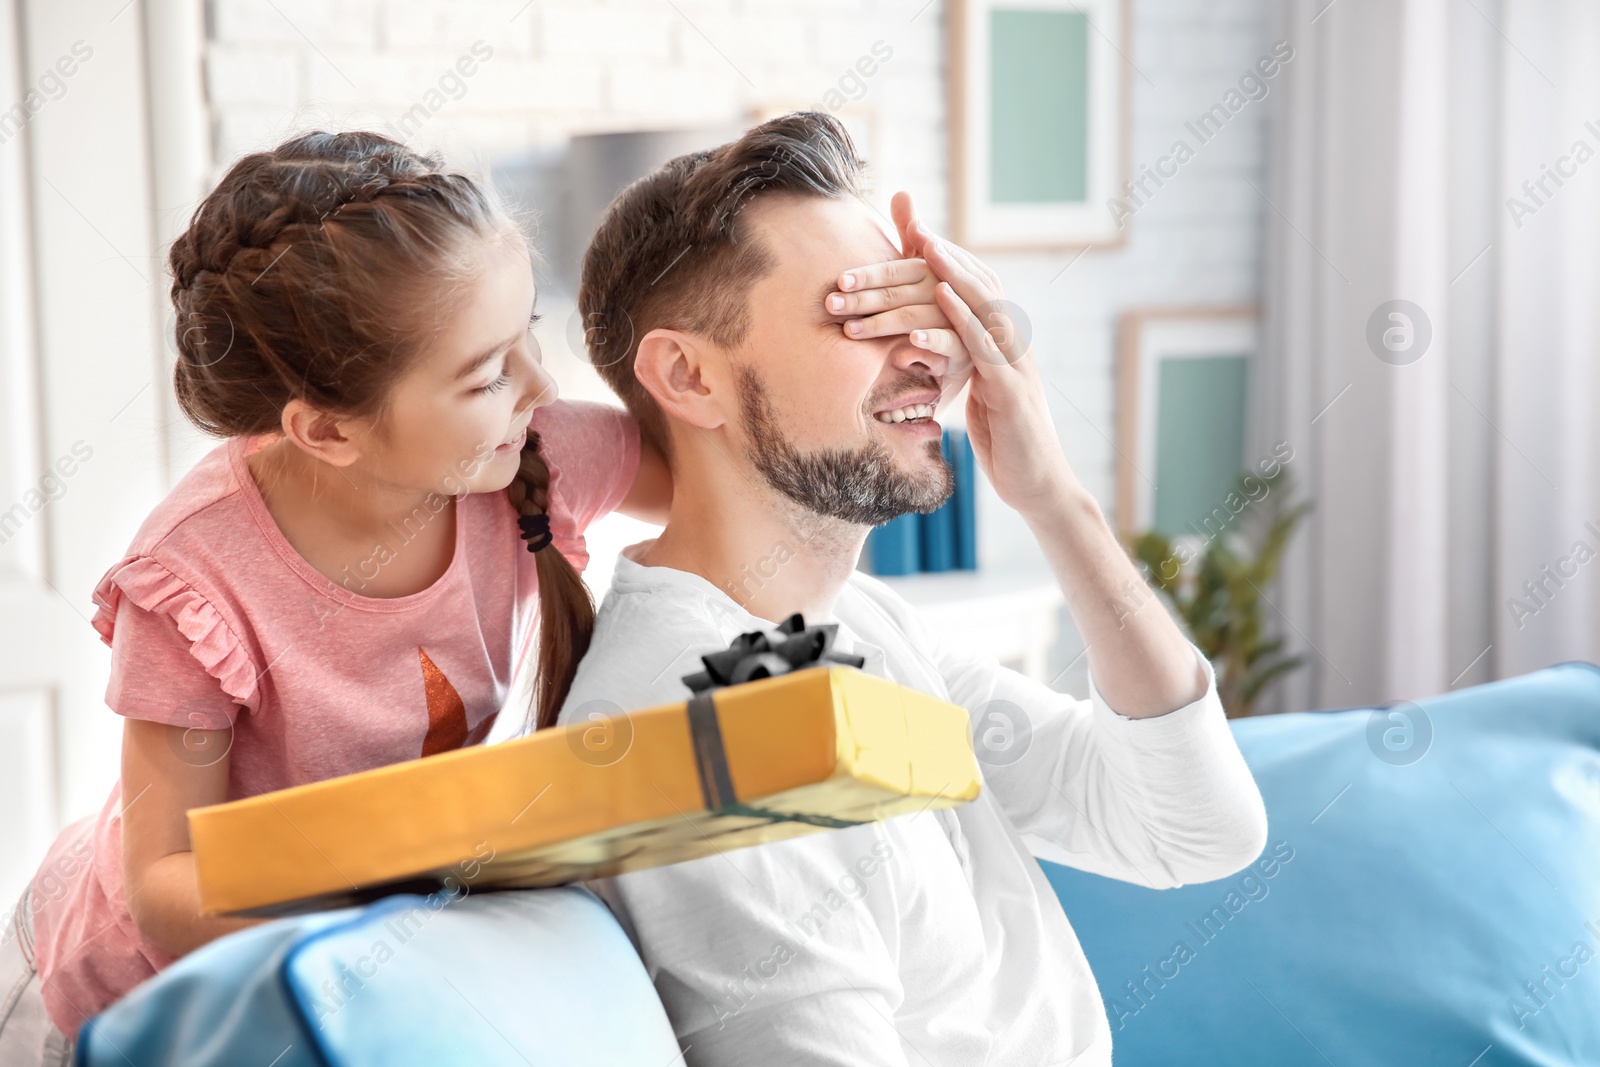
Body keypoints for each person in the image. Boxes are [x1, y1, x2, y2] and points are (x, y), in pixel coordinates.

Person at [557, 111, 1268, 1064]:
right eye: (859, 312)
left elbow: (1192, 831)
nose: (932, 352)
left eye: (920, 306)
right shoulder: (706, 723)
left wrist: (1053, 499)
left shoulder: (850, 625)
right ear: (689, 375)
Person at [0, 130, 671, 1064]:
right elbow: (163, 885)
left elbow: (726, 477)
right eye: (485, 374)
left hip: (362, 964)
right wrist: (390, 955)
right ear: (324, 430)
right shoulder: (193, 582)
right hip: (134, 992)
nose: (540, 383)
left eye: (527, 334)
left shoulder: (524, 449)